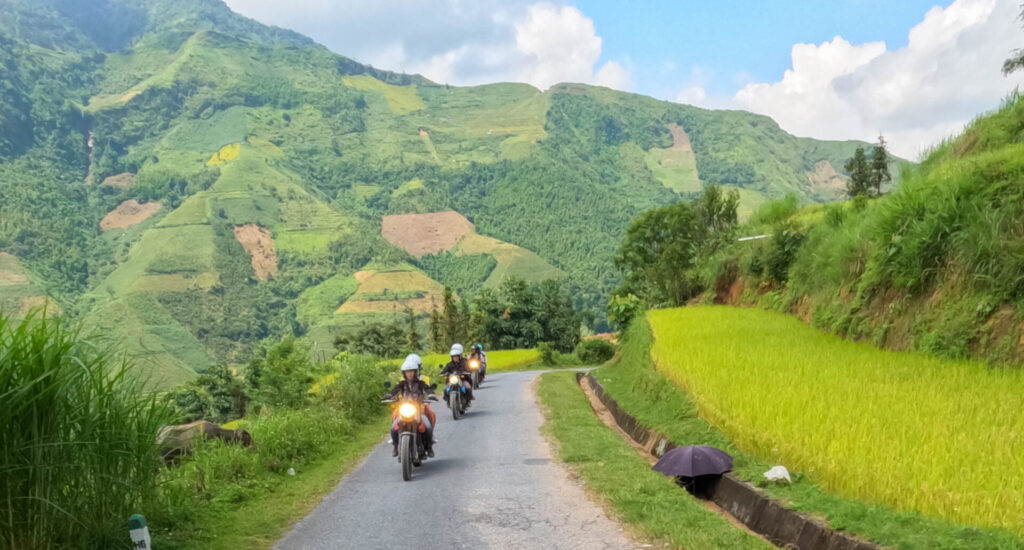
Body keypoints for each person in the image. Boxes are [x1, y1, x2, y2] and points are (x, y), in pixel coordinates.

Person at [383, 354, 436, 457]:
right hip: (405, 407)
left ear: (415, 372)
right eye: (407, 372)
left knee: (428, 427)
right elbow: (394, 391)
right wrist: (388, 396)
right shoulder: (402, 383)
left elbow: (428, 389)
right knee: (393, 428)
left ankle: (429, 447)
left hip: (418, 408)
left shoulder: (421, 383)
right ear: (404, 373)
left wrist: (431, 395)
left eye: (411, 371)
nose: (409, 374)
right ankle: (396, 446)